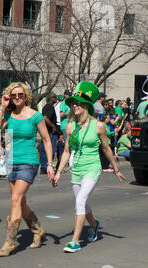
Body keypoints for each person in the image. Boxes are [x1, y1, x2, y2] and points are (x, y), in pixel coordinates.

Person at [53, 81, 126, 253]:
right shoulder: (71, 126)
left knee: (80, 201)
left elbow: (107, 149)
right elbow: (66, 151)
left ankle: (75, 241)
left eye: (78, 103)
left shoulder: (98, 126)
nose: (74, 105)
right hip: (76, 168)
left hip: (93, 167)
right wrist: (58, 172)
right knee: (82, 204)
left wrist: (116, 169)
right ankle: (94, 225)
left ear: (86, 106)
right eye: (72, 103)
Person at [0, 82, 55, 257]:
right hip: (11, 162)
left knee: (15, 199)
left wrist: (49, 164)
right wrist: (2, 108)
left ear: (25, 96)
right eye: (13, 95)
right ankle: (37, 230)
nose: (17, 97)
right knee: (21, 202)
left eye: (20, 94)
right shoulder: (9, 115)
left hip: (29, 162)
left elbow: (46, 140)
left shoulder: (35, 116)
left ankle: (9, 243)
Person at [39, 94, 58, 174]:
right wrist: (53, 126)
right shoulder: (49, 107)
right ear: (51, 98)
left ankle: (44, 167)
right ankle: (45, 167)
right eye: (55, 97)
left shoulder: (45, 107)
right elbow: (45, 118)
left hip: (45, 131)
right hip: (49, 132)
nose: (56, 99)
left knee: (44, 150)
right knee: (49, 150)